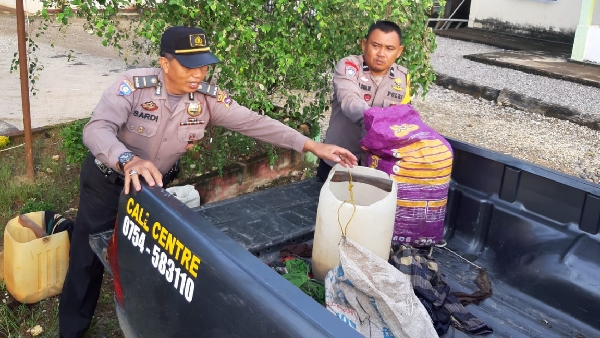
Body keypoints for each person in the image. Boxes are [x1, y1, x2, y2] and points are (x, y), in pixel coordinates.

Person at [58, 25, 357, 338]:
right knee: (86, 257)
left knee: (147, 253)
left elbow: (255, 123)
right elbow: (97, 130)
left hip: (152, 190)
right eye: (189, 65)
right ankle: (72, 330)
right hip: (108, 182)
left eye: (203, 65)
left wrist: (311, 145)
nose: (198, 74)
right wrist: (128, 160)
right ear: (164, 63)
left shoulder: (205, 99)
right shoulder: (133, 87)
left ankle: (142, 313)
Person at [317, 20, 410, 181]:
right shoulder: (348, 66)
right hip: (339, 161)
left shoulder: (403, 77)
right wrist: (379, 120)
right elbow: (350, 102)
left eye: (389, 48)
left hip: (374, 165)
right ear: (364, 44)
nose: (381, 53)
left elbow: (404, 115)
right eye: (376, 45)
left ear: (399, 51)